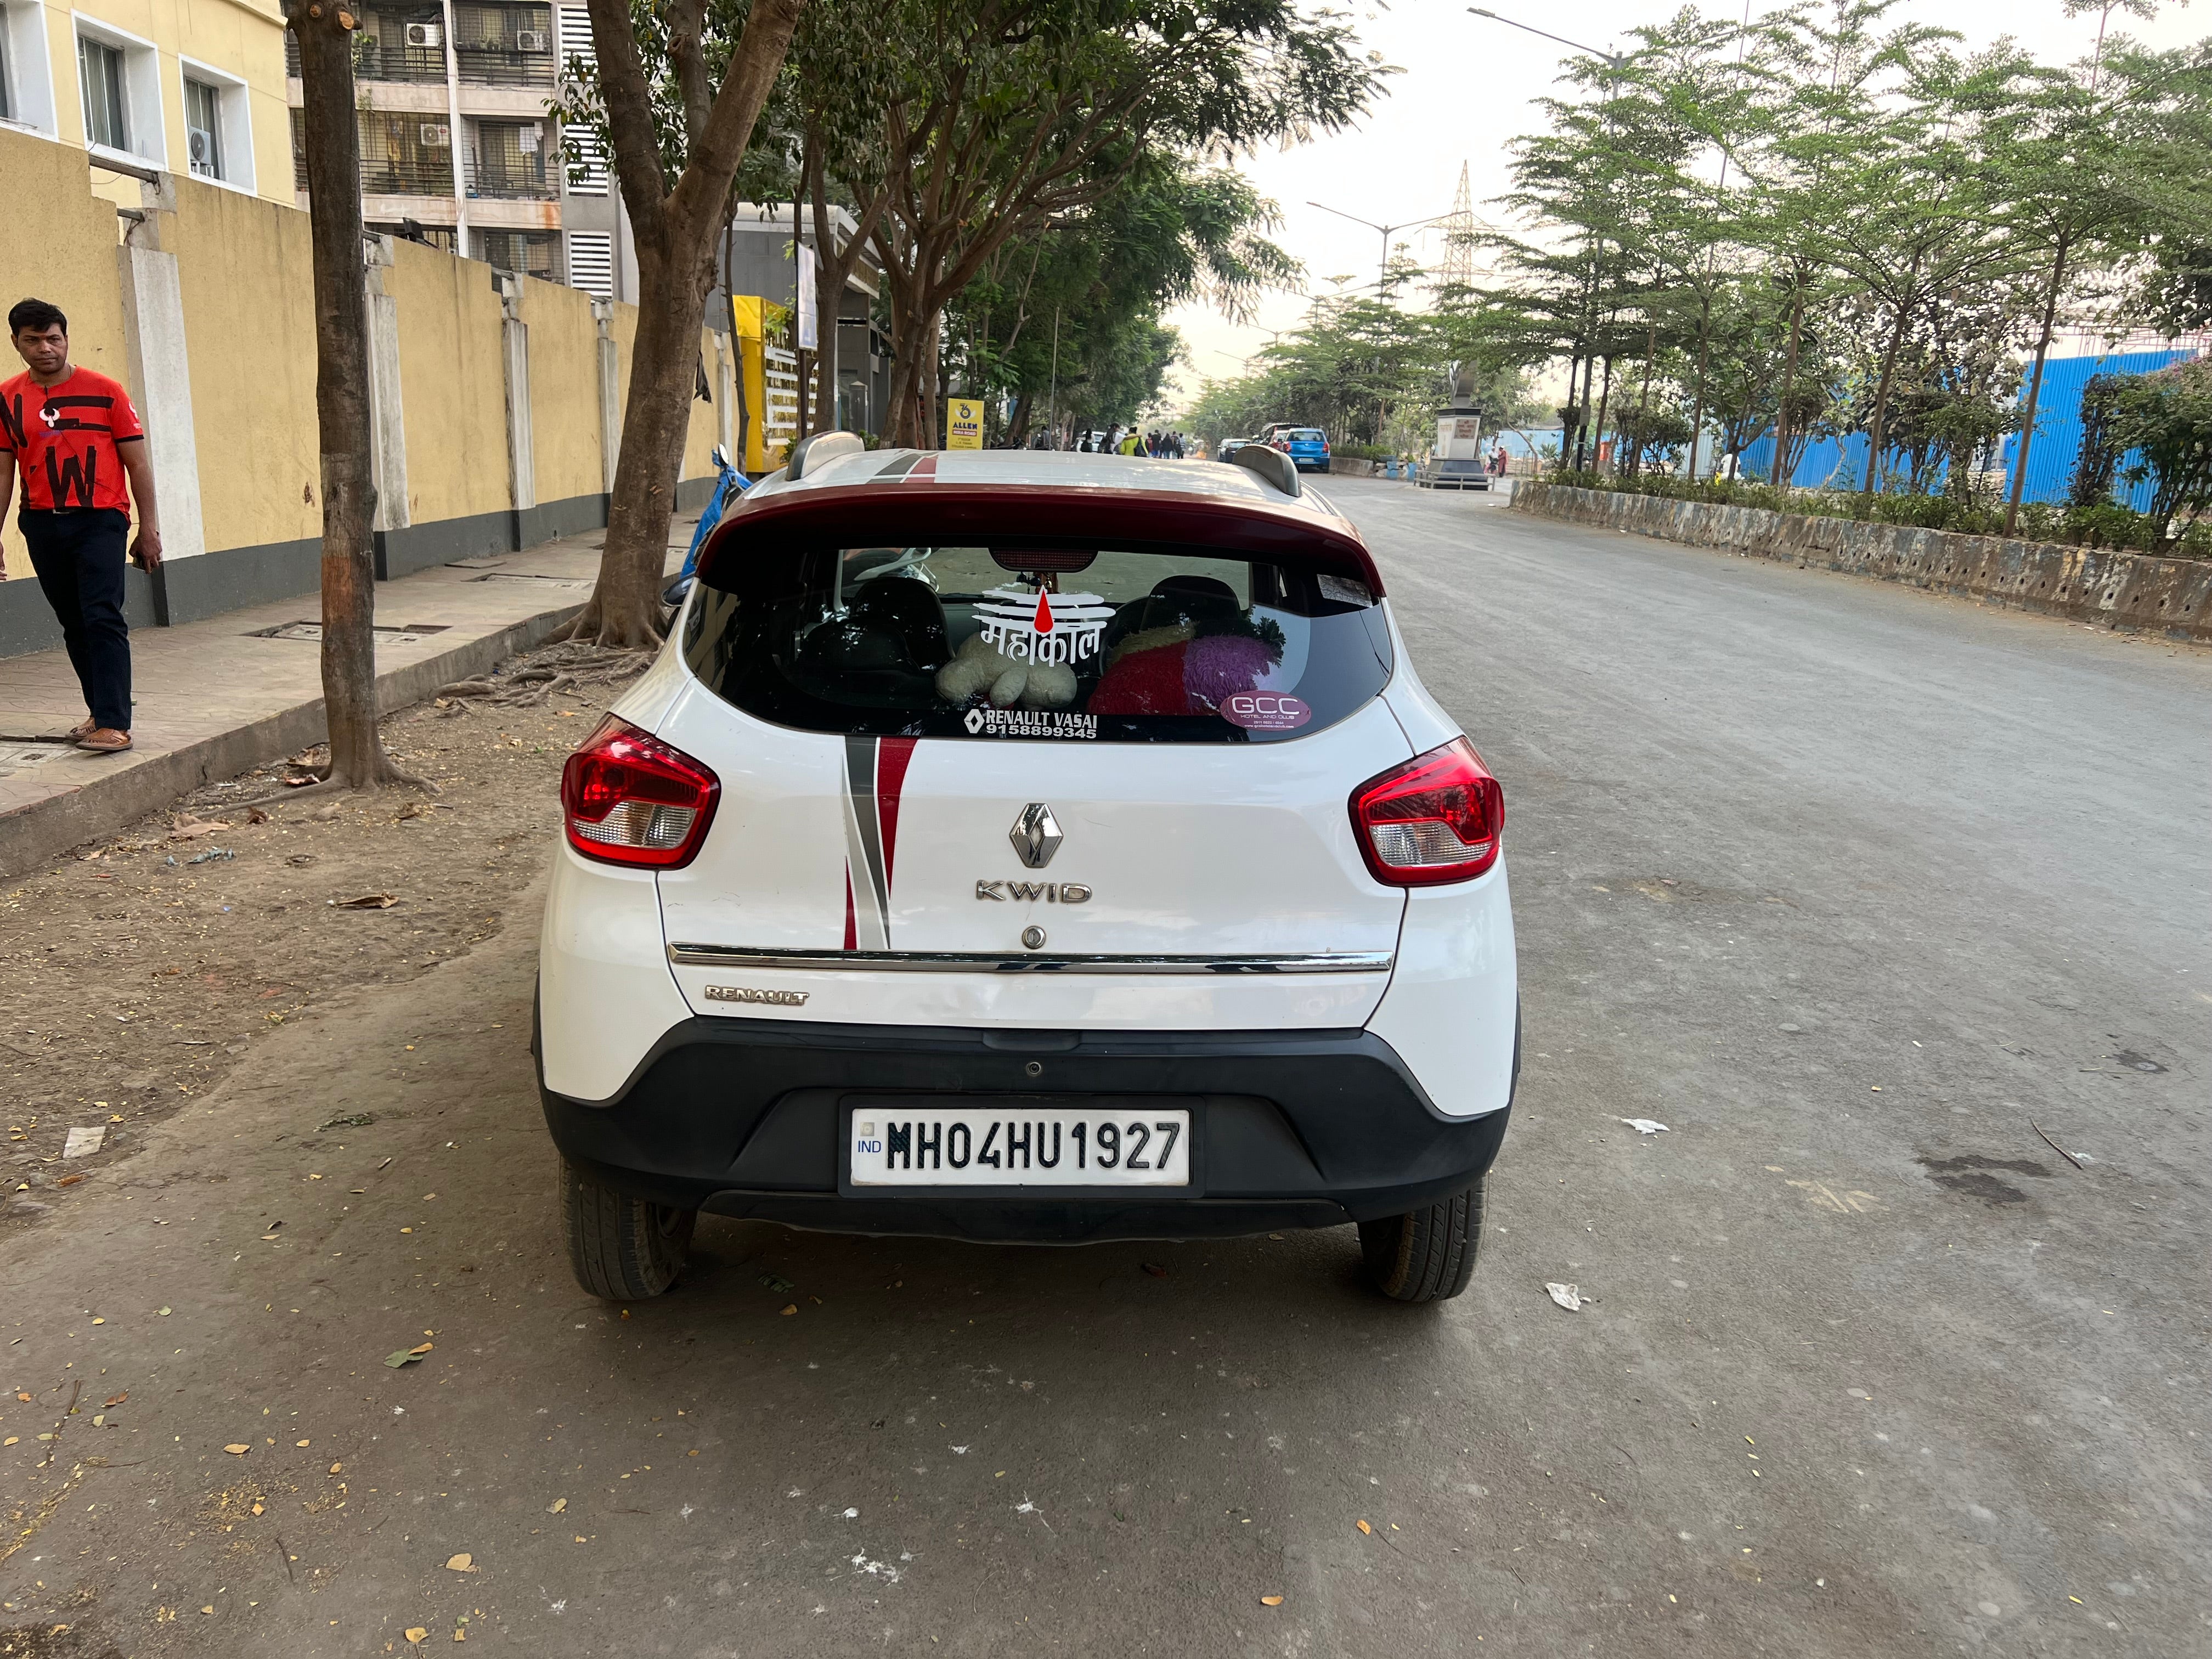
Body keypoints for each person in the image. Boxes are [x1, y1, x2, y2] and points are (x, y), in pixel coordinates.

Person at [0, 298, 161, 753]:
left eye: (53, 338)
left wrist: (147, 528)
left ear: (66, 338)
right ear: (17, 343)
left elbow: (139, 465)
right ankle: (99, 709)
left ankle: (115, 723)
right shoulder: (7, 397)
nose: (45, 348)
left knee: (101, 616)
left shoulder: (106, 391)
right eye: (33, 340)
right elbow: (3, 472)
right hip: (41, 523)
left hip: (101, 519)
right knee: (73, 622)